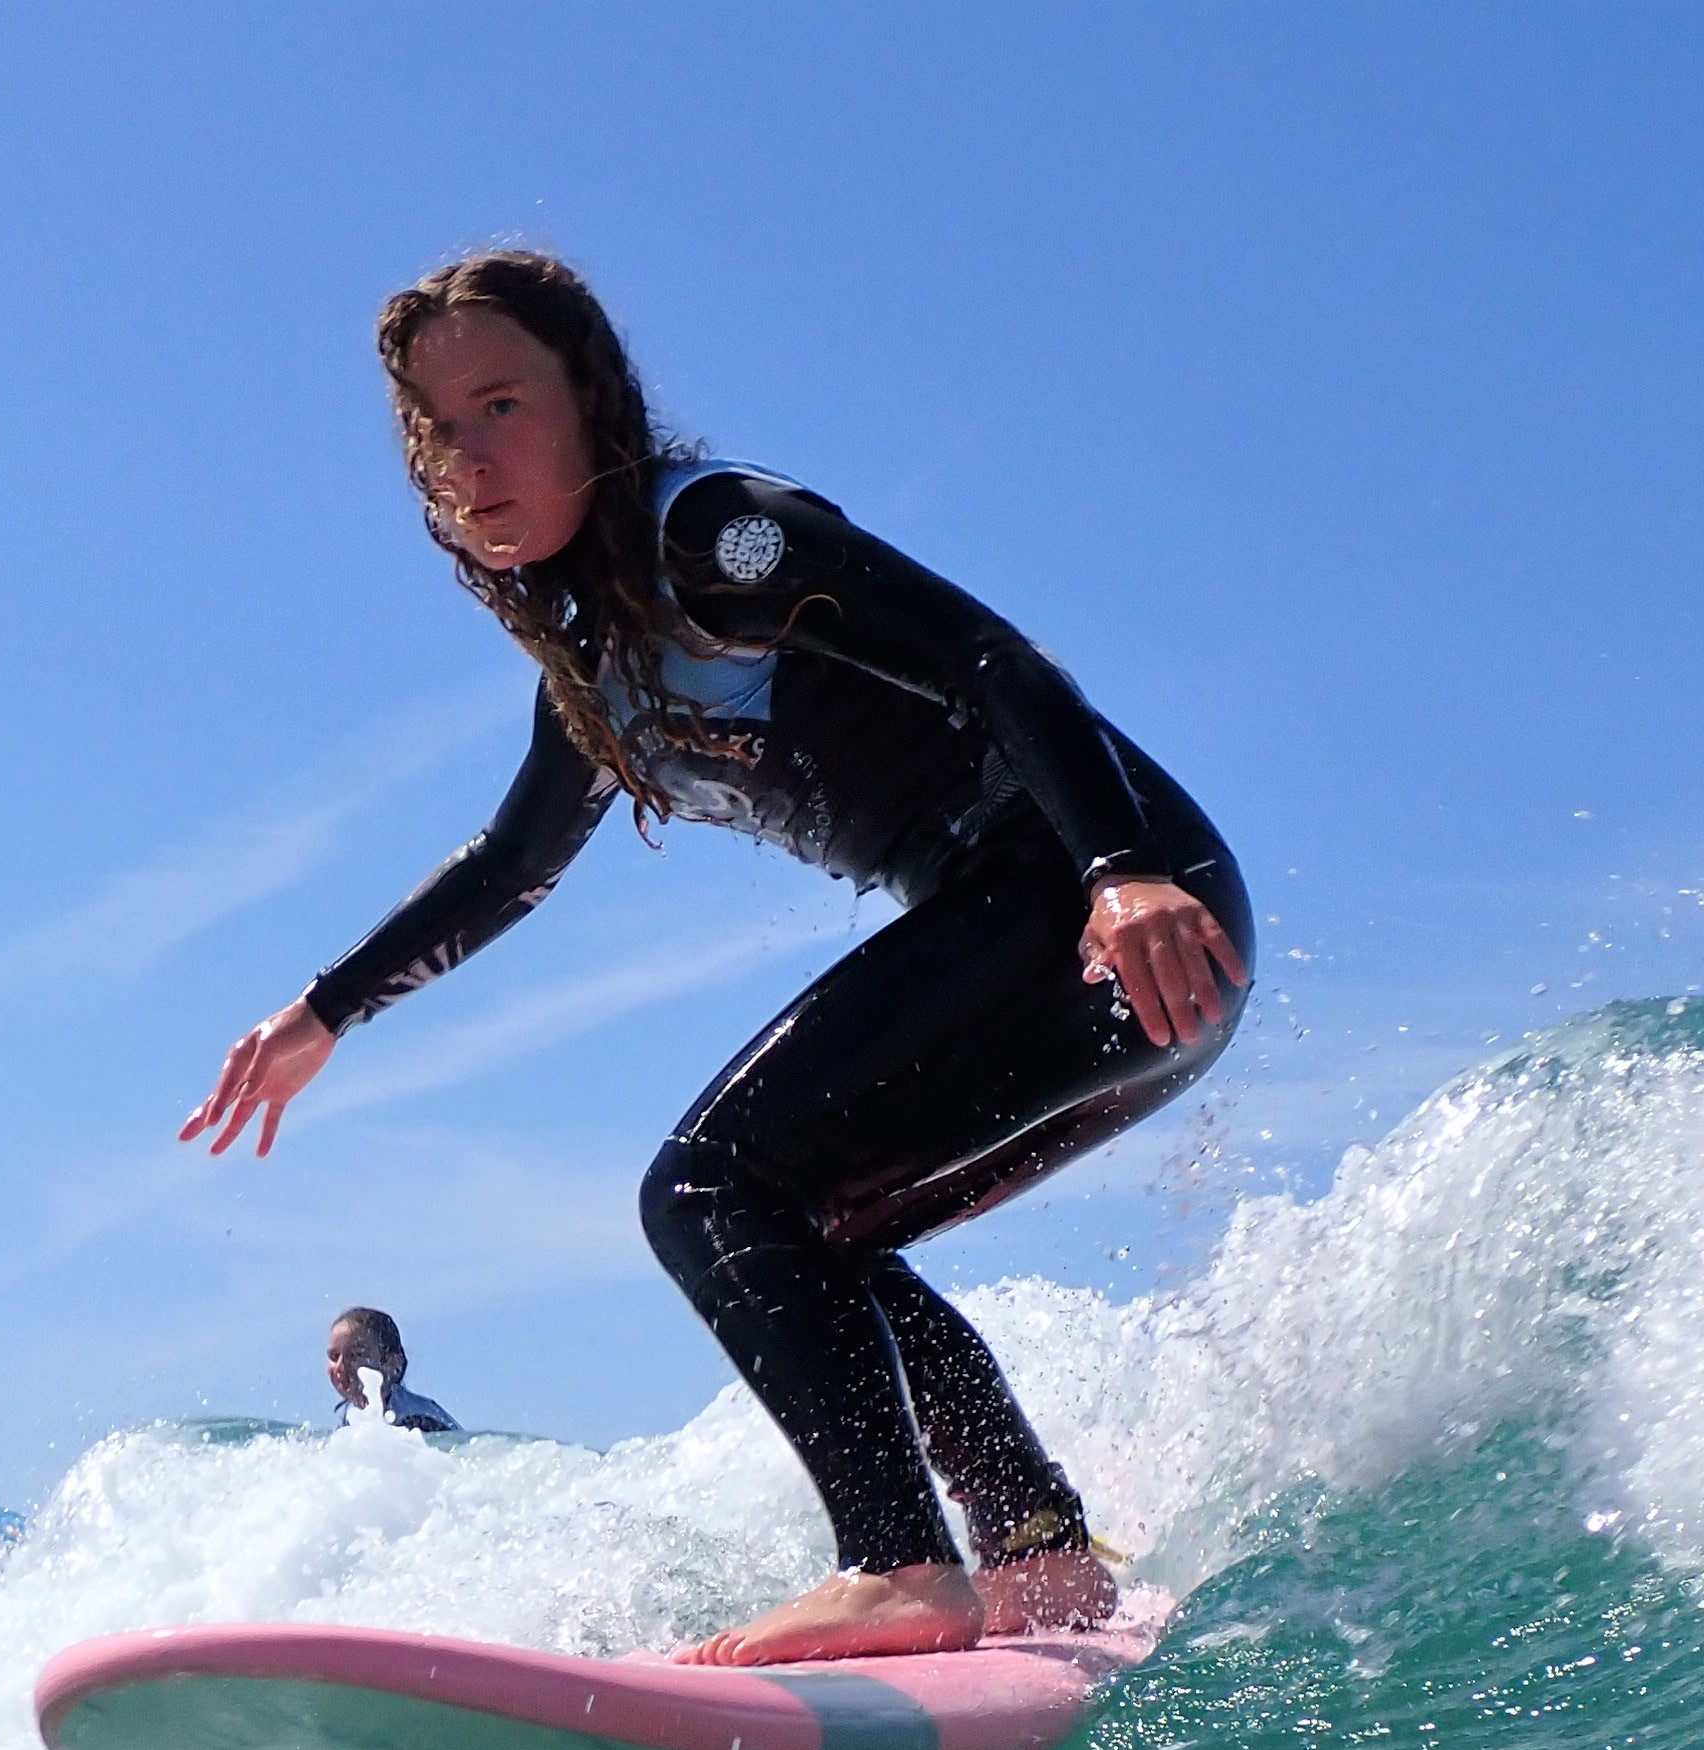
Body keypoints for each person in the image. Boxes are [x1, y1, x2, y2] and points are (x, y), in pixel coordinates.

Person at [182, 252, 1250, 1666]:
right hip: (1076, 931)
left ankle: (898, 1564)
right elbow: (511, 865)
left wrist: (1121, 873)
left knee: (706, 1187)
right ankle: (1034, 1548)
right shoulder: (599, 666)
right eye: (438, 430)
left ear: (593, 404)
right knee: (808, 1227)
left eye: (502, 404)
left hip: (1108, 904)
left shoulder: (716, 539)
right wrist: (325, 1012)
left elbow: (993, 657)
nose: (471, 457)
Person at [326, 1307, 457, 1433]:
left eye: (356, 1354)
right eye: (334, 1356)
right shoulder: (351, 1418)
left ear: (392, 1362)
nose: (341, 1365)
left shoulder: (419, 1422)